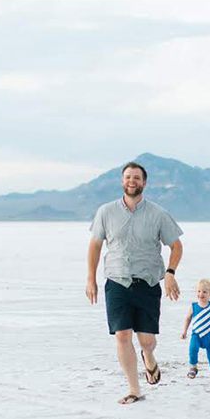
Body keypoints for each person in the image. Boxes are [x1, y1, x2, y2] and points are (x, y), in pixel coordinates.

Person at [86, 161, 183, 404]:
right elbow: (96, 245)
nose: (132, 181)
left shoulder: (158, 214)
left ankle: (148, 357)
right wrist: (91, 278)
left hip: (147, 283)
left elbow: (176, 246)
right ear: (122, 181)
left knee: (147, 341)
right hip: (117, 281)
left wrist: (170, 272)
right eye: (128, 177)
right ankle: (134, 389)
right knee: (122, 335)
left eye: (137, 178)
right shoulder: (106, 212)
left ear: (144, 183)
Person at [180, 278, 210, 383]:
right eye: (198, 291)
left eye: (204, 292)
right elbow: (188, 318)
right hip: (196, 335)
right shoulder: (193, 306)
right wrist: (184, 331)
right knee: (192, 349)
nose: (201, 294)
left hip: (209, 335)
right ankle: (193, 368)